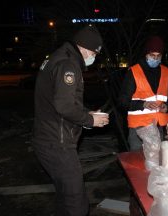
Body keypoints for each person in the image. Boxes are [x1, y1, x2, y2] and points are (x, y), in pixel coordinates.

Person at [32, 25, 109, 216]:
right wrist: (90, 121)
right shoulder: (68, 65)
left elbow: (63, 100)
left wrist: (87, 114)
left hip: (48, 139)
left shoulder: (58, 57)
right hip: (57, 143)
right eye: (94, 53)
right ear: (84, 47)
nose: (94, 57)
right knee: (76, 202)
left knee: (64, 198)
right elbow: (64, 106)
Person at [119, 35, 168, 151]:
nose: (155, 59)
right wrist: (143, 104)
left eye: (158, 56)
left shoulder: (167, 72)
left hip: (159, 127)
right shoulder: (134, 72)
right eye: (152, 55)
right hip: (138, 130)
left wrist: (167, 107)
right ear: (146, 54)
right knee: (137, 163)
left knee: (157, 163)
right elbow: (122, 101)